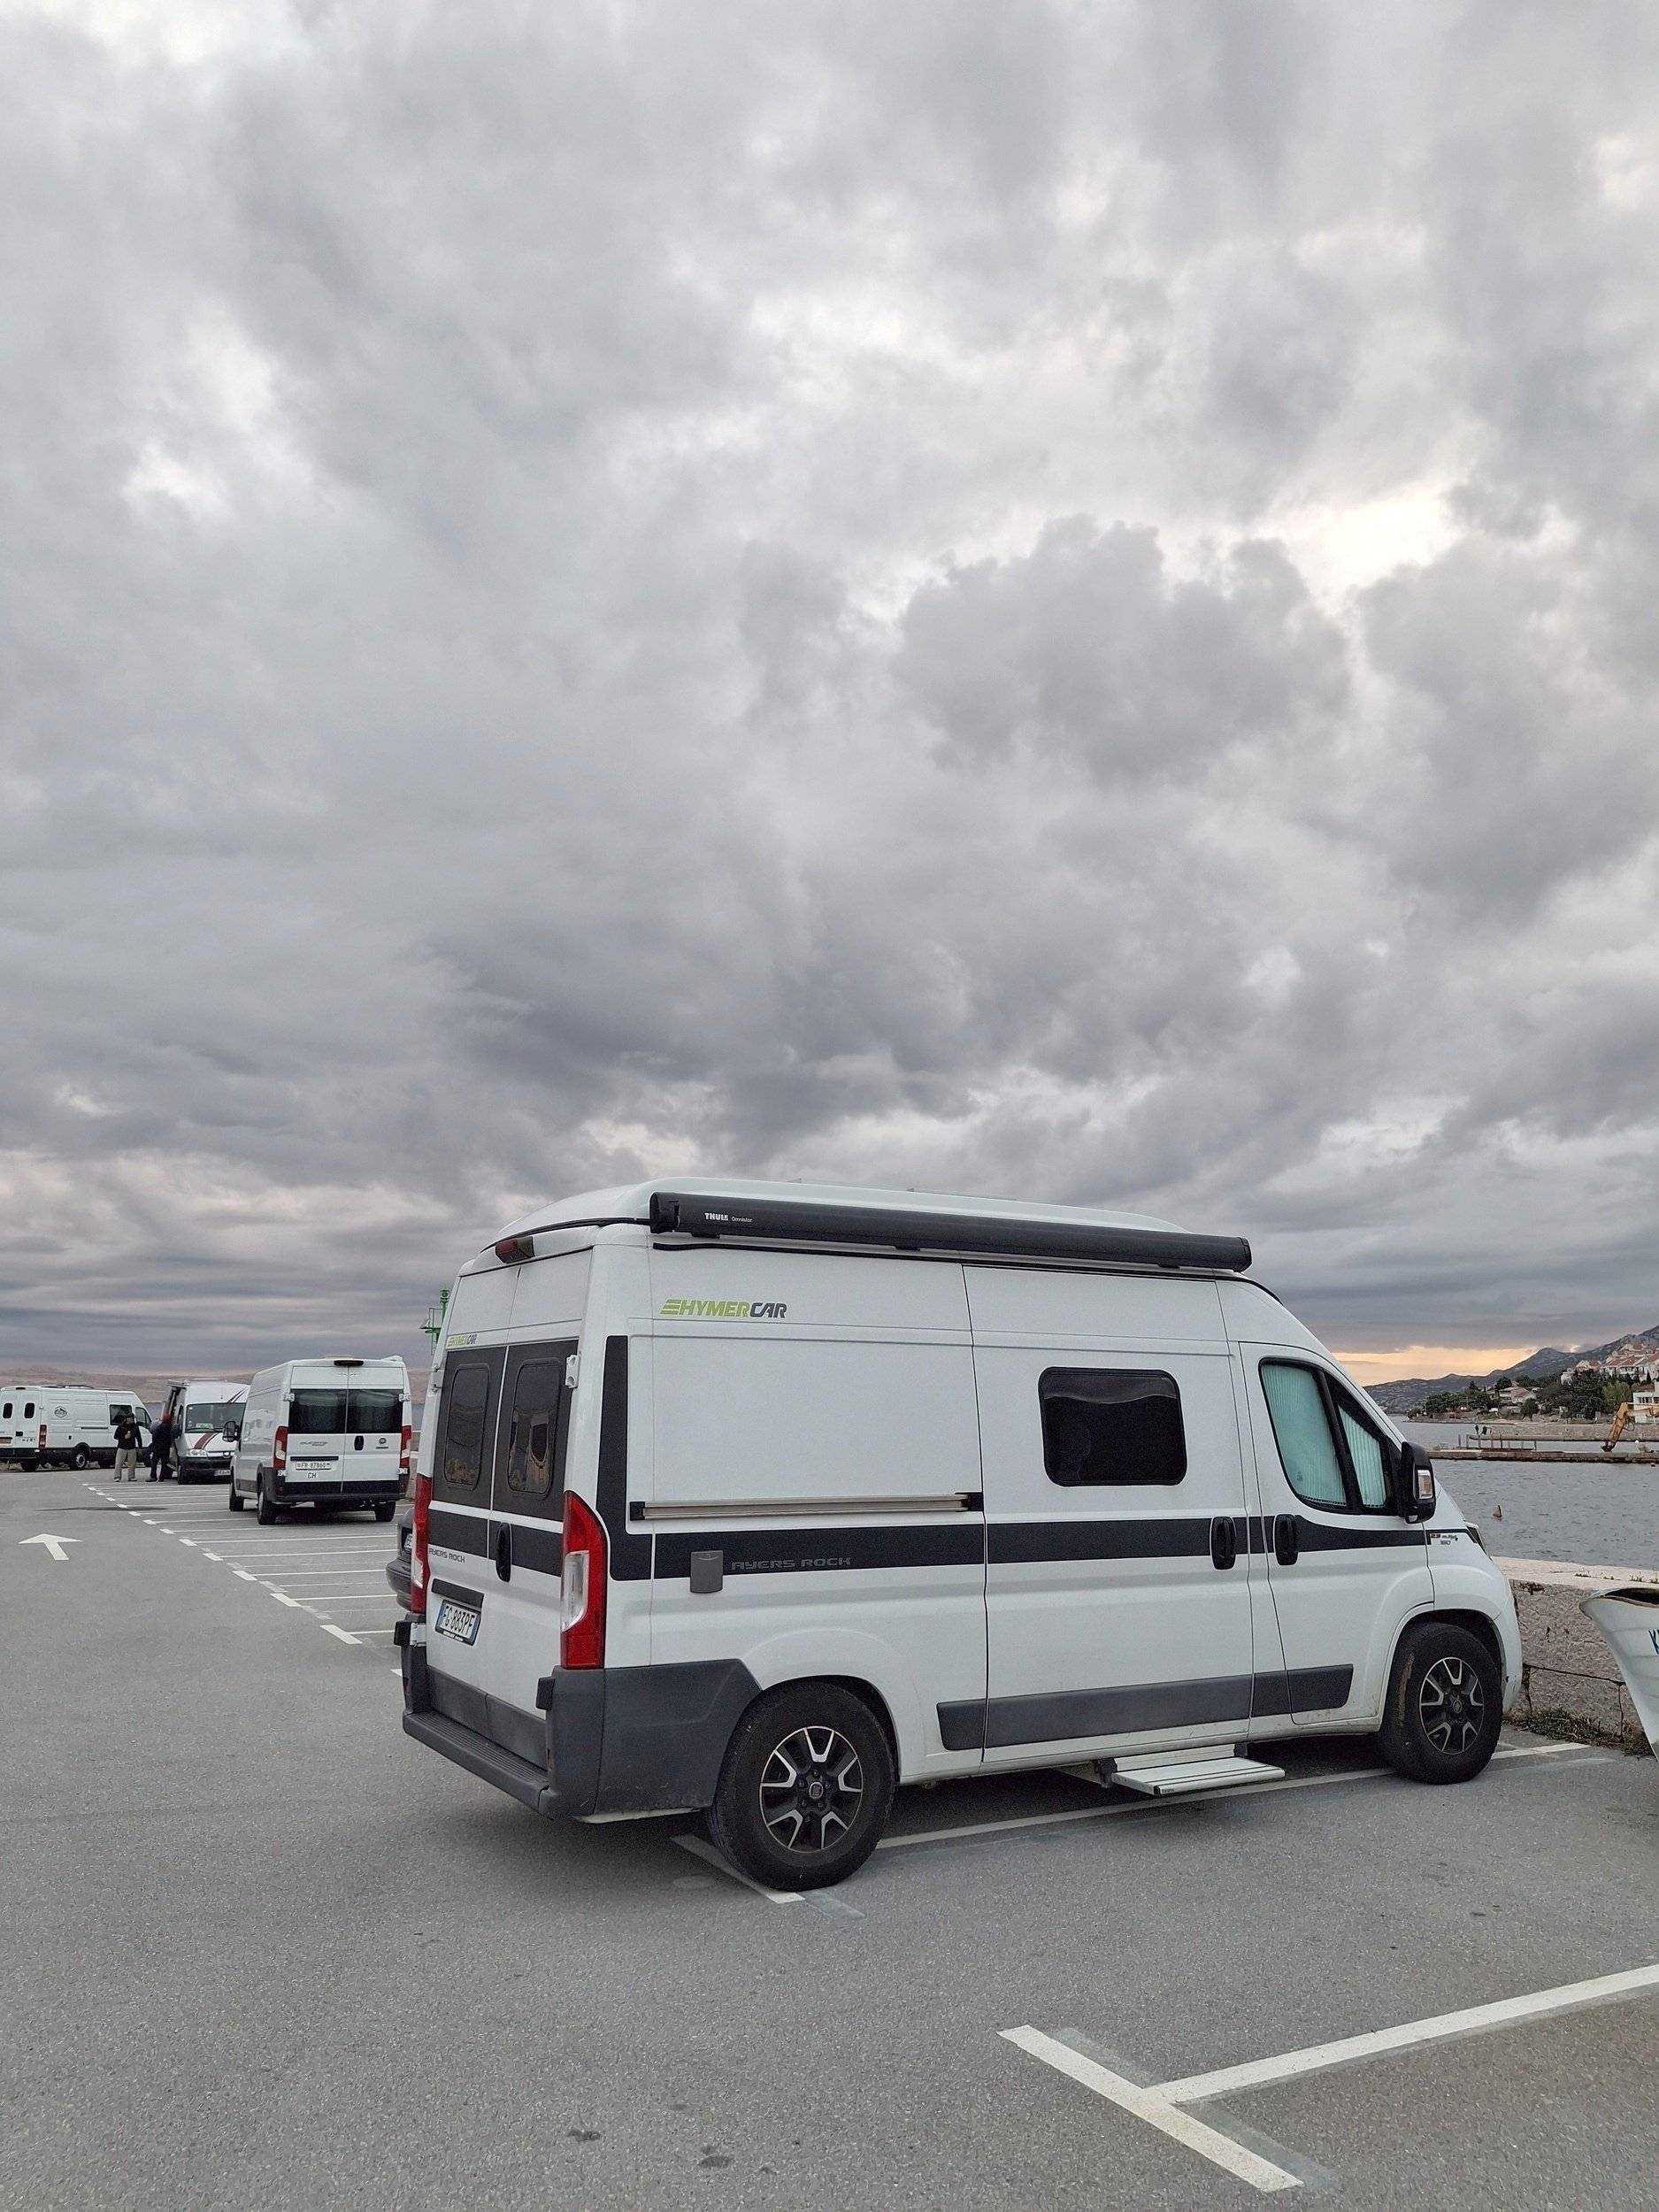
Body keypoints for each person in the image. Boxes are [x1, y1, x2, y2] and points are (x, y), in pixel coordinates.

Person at [111, 1406, 144, 1484]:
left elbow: (138, 1437)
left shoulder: (135, 1426)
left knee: (132, 1463)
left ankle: (131, 1476)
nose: (132, 1420)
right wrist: (124, 1437)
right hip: (122, 1447)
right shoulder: (121, 1426)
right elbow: (116, 1436)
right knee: (119, 1463)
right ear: (127, 1419)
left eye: (133, 1418)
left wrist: (140, 1447)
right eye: (130, 1418)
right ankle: (117, 1477)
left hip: (132, 1447)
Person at [148, 1410, 174, 1484]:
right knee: (164, 1464)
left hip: (157, 1448)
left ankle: (153, 1476)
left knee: (154, 1463)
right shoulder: (170, 1428)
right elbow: (171, 1438)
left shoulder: (159, 1427)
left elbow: (154, 1436)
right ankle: (162, 1477)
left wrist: (154, 1445)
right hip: (166, 1448)